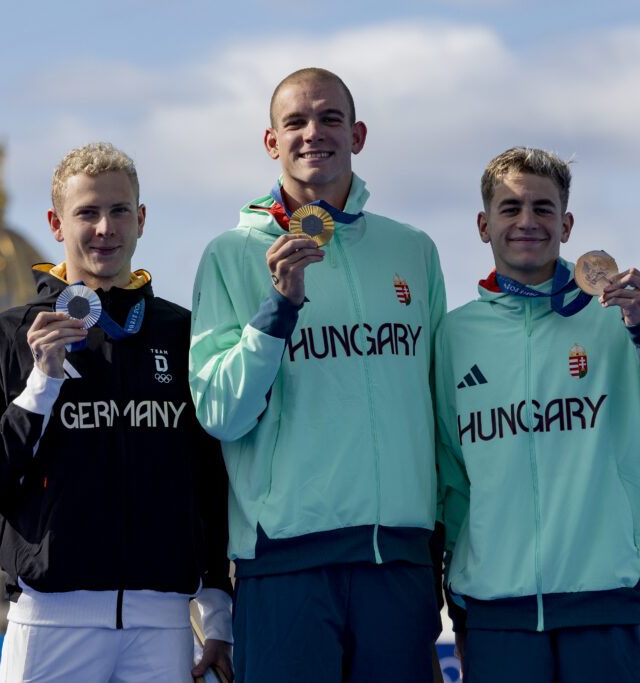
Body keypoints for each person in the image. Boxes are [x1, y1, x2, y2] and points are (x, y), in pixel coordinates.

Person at [189, 68, 447, 682]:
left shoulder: (414, 250)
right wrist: (278, 308)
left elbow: (442, 416)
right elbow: (221, 413)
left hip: (399, 558)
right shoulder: (231, 254)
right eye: (295, 122)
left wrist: (444, 551)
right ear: (271, 142)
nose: (314, 134)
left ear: (357, 134)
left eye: (330, 118)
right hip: (285, 560)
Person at [435, 147, 640, 682]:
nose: (527, 221)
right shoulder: (454, 336)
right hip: (498, 613)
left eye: (543, 209)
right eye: (510, 207)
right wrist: (460, 611)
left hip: (606, 603)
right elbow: (452, 482)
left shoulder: (628, 312)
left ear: (566, 225)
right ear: (483, 224)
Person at [0, 142, 233, 683]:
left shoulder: (181, 332)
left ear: (142, 219)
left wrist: (217, 616)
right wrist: (40, 385)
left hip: (163, 623)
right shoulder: (11, 336)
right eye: (87, 213)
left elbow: (211, 482)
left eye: (119, 210)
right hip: (50, 622)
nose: (105, 228)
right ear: (56, 223)